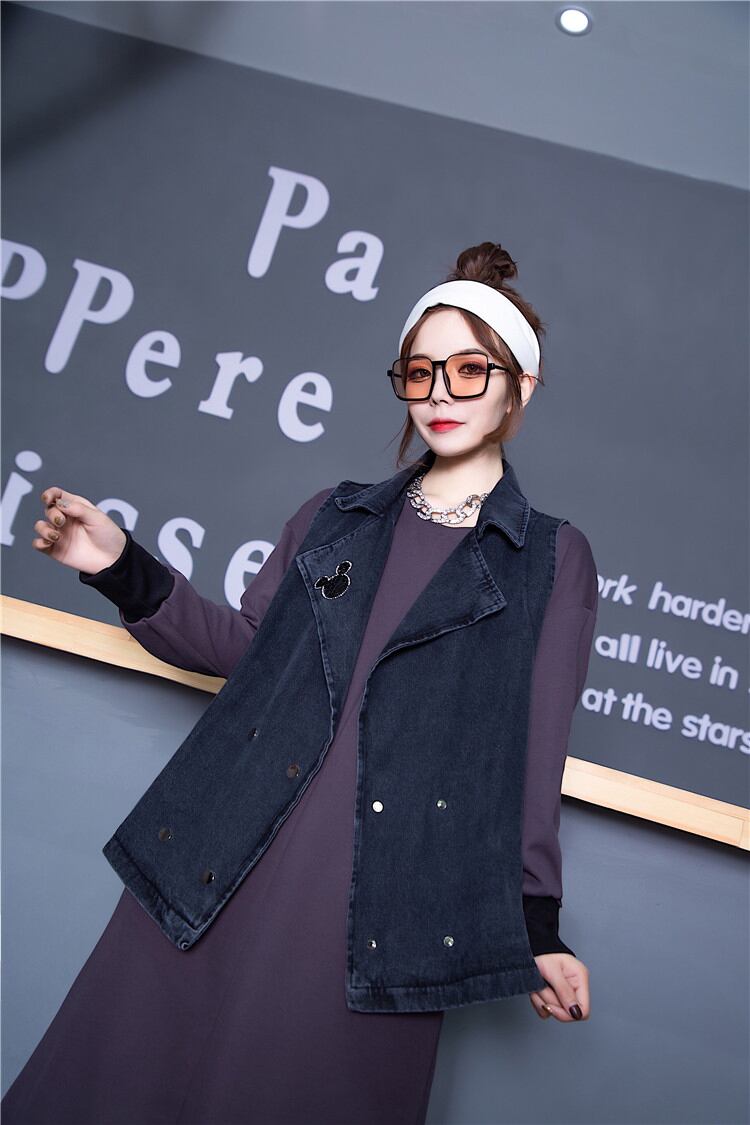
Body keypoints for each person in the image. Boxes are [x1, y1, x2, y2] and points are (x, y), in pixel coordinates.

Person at [4, 241, 596, 1125]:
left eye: (470, 370)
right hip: (225, 854)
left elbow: (533, 753)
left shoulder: (550, 557)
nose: (440, 393)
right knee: (123, 1081)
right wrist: (119, 563)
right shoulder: (334, 514)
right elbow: (245, 649)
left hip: (381, 904)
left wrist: (536, 922)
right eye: (421, 371)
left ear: (522, 387)